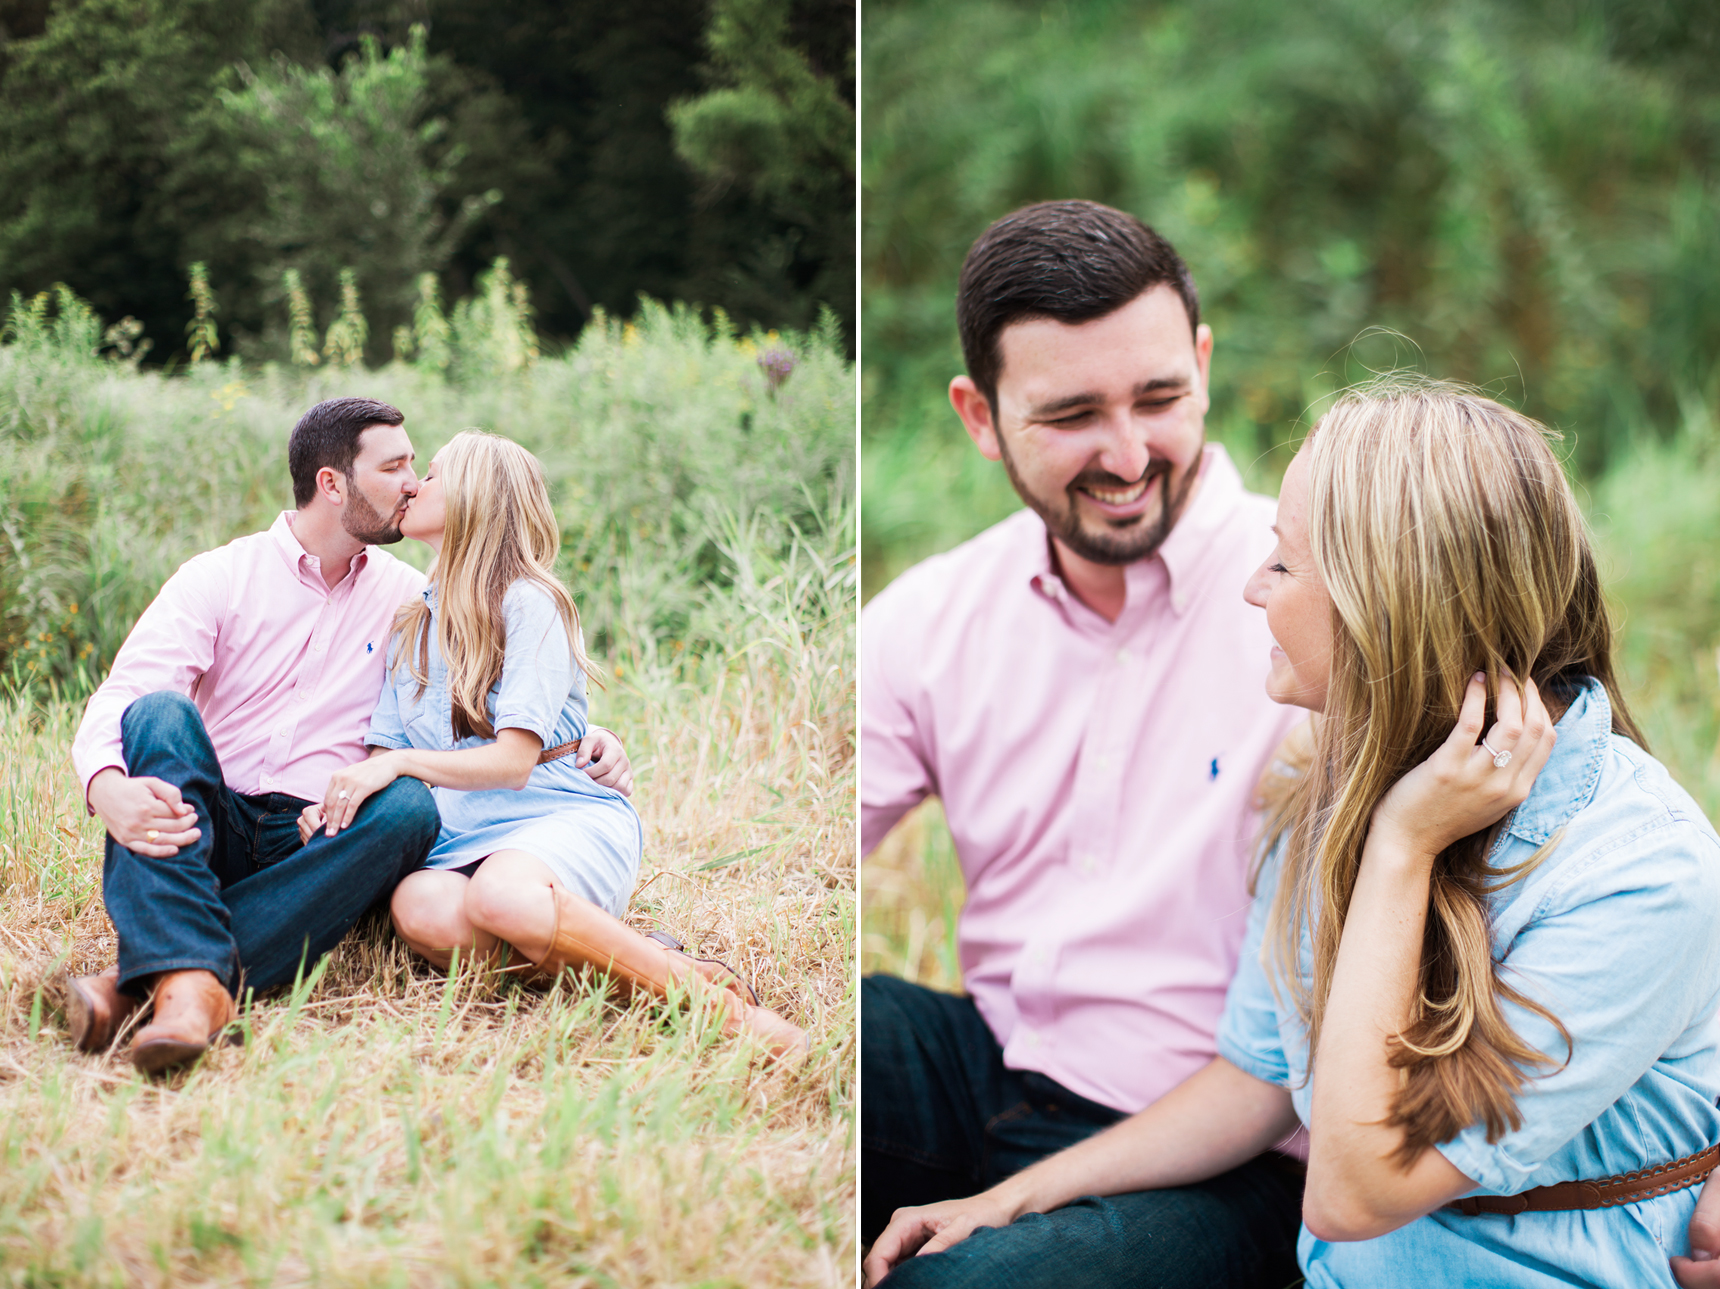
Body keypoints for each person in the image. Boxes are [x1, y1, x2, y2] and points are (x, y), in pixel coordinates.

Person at [866, 382, 1720, 1288]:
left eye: (1283, 565)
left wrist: (1400, 849)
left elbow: (1353, 1192)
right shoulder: (1336, 781)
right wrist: (1011, 1197)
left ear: (1386, 603)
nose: (1251, 587)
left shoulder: (1637, 870)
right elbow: (1258, 1079)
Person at [861, 200, 1306, 1284]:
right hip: (995, 1064)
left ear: (1202, 363)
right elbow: (798, 837)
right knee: (818, 1028)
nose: (1127, 452)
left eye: (1159, 397)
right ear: (979, 414)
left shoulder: (1320, 603)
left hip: (1232, 1152)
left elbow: (1589, 853)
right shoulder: (931, 616)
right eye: (1070, 414)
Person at [63, 397, 632, 1073]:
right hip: (206, 817)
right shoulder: (221, 575)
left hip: (319, 837)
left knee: (408, 808)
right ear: (333, 483)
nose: (413, 482)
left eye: (419, 466)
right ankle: (186, 988)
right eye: (395, 467)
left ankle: (151, 984)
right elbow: (125, 693)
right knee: (158, 712)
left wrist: (581, 733)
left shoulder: (410, 598)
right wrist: (106, 784)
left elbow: (483, 690)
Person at [297, 430, 809, 1062]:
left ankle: (720, 1013)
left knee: (499, 897)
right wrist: (347, 803)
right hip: (462, 830)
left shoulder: (530, 602)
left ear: (476, 497)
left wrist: (402, 764)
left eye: (431, 474)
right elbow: (385, 754)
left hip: (556, 812)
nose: (414, 486)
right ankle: (646, 965)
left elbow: (514, 764)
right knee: (419, 908)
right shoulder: (413, 621)